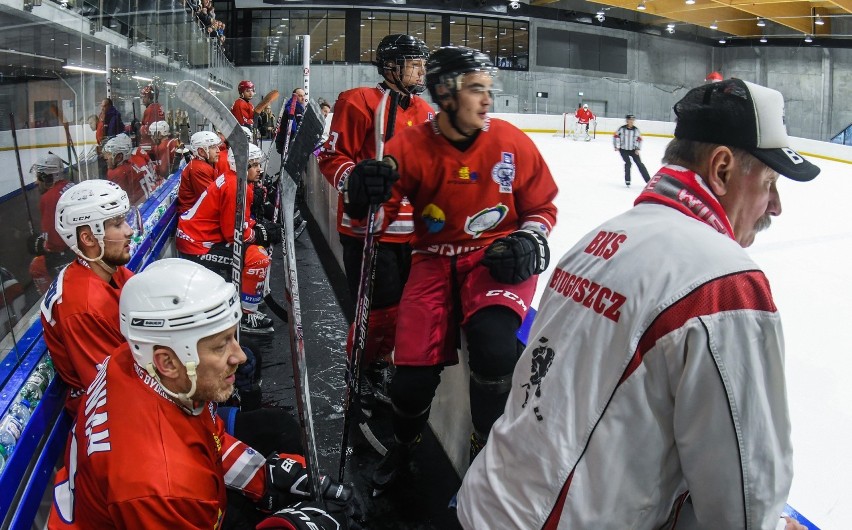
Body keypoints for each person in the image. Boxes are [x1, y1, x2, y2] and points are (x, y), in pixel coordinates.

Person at [457, 79, 820, 529]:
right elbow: (744, 501)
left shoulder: (597, 240)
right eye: (769, 183)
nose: (776, 206)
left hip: (486, 503)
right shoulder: (724, 282)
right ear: (722, 169)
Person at [343, 46, 558, 492]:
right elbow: (377, 210)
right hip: (432, 262)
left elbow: (541, 207)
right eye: (476, 89)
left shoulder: (511, 142)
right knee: (409, 384)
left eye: (486, 89)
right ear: (445, 92)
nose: (487, 100)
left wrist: (529, 239)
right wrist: (363, 191)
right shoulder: (411, 146)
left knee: (495, 349)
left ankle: (484, 446)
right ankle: (405, 447)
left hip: (495, 258)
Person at [48, 258, 359, 530]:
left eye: (231, 338)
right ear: (167, 361)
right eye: (220, 345)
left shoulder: (131, 361)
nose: (238, 355)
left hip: (145, 498)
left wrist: (264, 479)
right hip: (159, 506)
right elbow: (177, 475)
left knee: (276, 428)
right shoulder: (163, 483)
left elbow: (208, 439)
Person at [317, 33, 433, 412]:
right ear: (390, 67)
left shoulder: (426, 111)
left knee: (402, 311)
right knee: (377, 312)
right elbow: (331, 156)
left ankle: (379, 365)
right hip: (369, 230)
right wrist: (356, 177)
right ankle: (360, 370)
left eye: (421, 63)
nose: (421, 70)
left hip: (412, 236)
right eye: (414, 63)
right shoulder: (357, 101)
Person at [40, 179, 135, 413]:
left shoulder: (110, 270)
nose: (129, 230)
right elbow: (115, 390)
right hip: (109, 416)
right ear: (89, 238)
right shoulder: (82, 306)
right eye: (117, 224)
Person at [176, 142, 281, 333]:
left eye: (259, 164)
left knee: (256, 252)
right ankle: (246, 316)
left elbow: (239, 223)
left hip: (197, 237)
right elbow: (233, 234)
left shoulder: (237, 181)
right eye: (254, 164)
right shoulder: (236, 187)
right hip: (198, 245)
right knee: (258, 258)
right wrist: (259, 234)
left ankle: (244, 304)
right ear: (242, 165)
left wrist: (255, 228)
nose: (259, 169)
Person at [27, 154, 75, 294]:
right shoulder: (70, 185)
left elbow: (54, 244)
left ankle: (48, 300)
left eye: (39, 177)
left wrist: (40, 244)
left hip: (66, 256)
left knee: (36, 266)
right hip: (81, 247)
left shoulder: (48, 198)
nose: (36, 182)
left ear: (47, 178)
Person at [177, 130, 222, 213]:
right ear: (201, 152)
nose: (218, 150)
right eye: (213, 147)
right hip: (193, 218)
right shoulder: (198, 169)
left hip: (198, 213)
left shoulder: (208, 163)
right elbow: (211, 200)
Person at [103, 133, 154, 205]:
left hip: (139, 206)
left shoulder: (118, 172)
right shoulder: (131, 163)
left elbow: (116, 202)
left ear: (119, 157)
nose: (105, 158)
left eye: (109, 154)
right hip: (147, 198)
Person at [613, 114, 651, 186]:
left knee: (640, 164)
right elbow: (616, 136)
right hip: (623, 150)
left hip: (633, 150)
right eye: (630, 120)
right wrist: (616, 146)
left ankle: (648, 180)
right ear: (627, 120)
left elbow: (639, 139)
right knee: (628, 163)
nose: (631, 121)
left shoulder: (636, 130)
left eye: (633, 120)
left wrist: (637, 149)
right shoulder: (622, 129)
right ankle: (627, 180)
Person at [274, 87, 306, 156]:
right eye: (300, 96)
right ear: (294, 96)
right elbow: (293, 128)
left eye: (304, 95)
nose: (303, 98)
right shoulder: (292, 107)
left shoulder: (299, 107)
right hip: (289, 143)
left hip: (289, 142)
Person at [139, 84, 165, 148]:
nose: (143, 100)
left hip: (150, 144)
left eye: (144, 97)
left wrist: (139, 127)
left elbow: (148, 131)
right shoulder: (159, 106)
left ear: (150, 98)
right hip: (157, 143)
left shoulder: (150, 109)